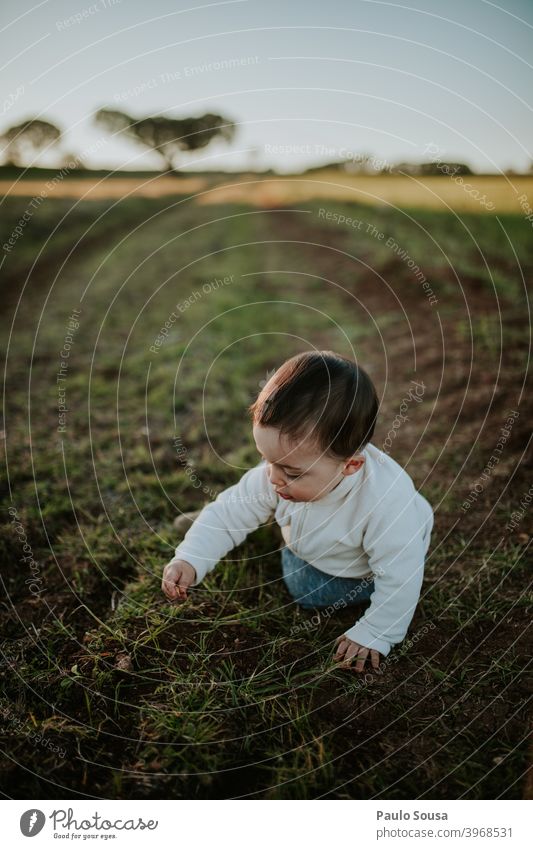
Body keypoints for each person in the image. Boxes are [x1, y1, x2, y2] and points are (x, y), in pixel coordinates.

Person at [161, 350, 434, 673]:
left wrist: (376, 632)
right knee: (236, 508)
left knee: (305, 587)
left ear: (351, 465)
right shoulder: (282, 473)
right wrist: (191, 557)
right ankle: (245, 526)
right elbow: (230, 510)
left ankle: (273, 529)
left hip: (351, 572)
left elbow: (402, 576)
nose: (275, 476)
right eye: (268, 460)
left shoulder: (385, 505)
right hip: (313, 531)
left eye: (291, 472)